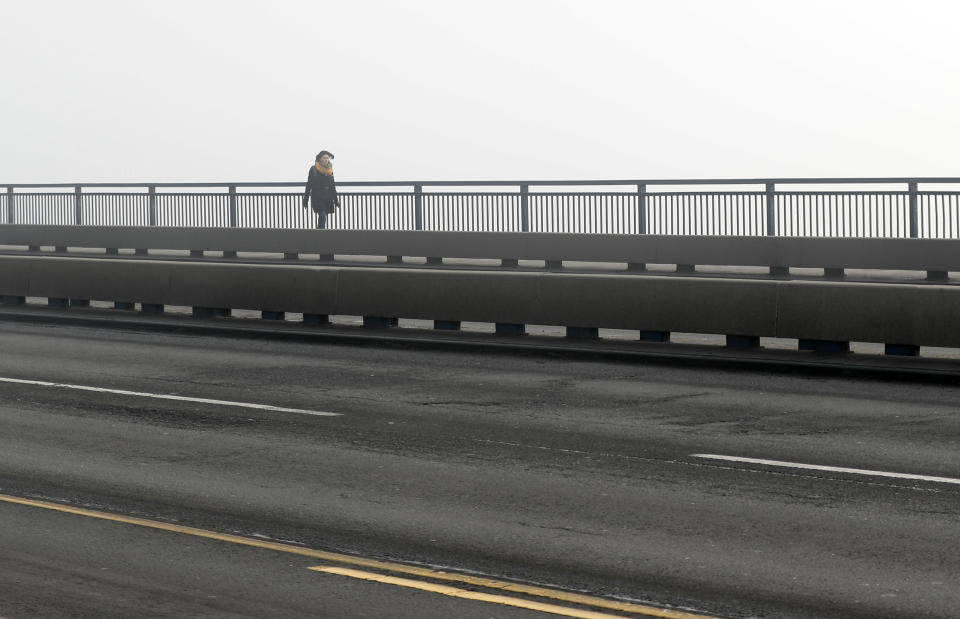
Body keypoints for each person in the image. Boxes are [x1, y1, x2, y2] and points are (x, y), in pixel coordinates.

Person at [303, 150, 340, 229]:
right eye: (324, 158)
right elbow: (309, 185)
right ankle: (320, 234)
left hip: (327, 197)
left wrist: (336, 201)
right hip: (317, 197)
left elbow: (332, 186)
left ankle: (319, 233)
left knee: (323, 216)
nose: (326, 160)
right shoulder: (314, 169)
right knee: (322, 216)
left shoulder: (330, 170)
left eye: (327, 158)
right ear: (320, 159)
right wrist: (305, 200)